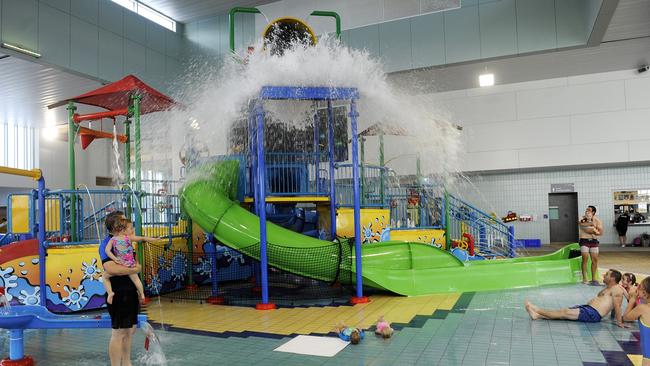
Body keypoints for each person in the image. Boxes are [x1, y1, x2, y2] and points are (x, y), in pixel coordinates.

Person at [101, 211, 143, 366]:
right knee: (118, 332)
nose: (129, 225)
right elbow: (111, 269)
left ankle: (126, 363)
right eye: (124, 221)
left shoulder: (127, 241)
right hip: (118, 292)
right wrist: (134, 270)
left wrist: (136, 273)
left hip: (130, 291)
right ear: (118, 226)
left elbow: (137, 264)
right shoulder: (107, 243)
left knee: (130, 330)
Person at [525, 269, 626, 328]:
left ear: (612, 278)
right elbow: (612, 306)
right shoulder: (608, 288)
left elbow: (617, 306)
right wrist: (612, 317)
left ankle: (536, 309)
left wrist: (619, 322)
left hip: (593, 314)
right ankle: (537, 316)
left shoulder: (617, 289)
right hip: (588, 309)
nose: (604, 275)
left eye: (607, 274)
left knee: (564, 312)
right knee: (563, 314)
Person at [103, 218, 157, 304]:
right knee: (136, 280)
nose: (132, 230)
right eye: (131, 228)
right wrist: (153, 239)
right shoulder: (128, 238)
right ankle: (142, 294)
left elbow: (107, 251)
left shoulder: (113, 239)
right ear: (123, 230)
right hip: (130, 264)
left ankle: (110, 293)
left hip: (120, 264)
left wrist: (114, 258)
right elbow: (141, 238)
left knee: (105, 276)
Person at [623, 277, 650, 365]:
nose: (636, 288)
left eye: (639, 287)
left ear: (645, 293)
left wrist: (632, 299)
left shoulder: (642, 308)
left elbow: (626, 317)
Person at [579, 205, 603, 285]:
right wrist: (593, 228)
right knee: (585, 259)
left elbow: (601, 232)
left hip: (594, 241)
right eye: (586, 210)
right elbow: (585, 228)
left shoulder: (598, 220)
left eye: (589, 210)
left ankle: (593, 278)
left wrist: (594, 230)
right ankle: (585, 278)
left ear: (593, 212)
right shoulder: (582, 219)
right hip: (584, 241)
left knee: (595, 260)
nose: (587, 211)